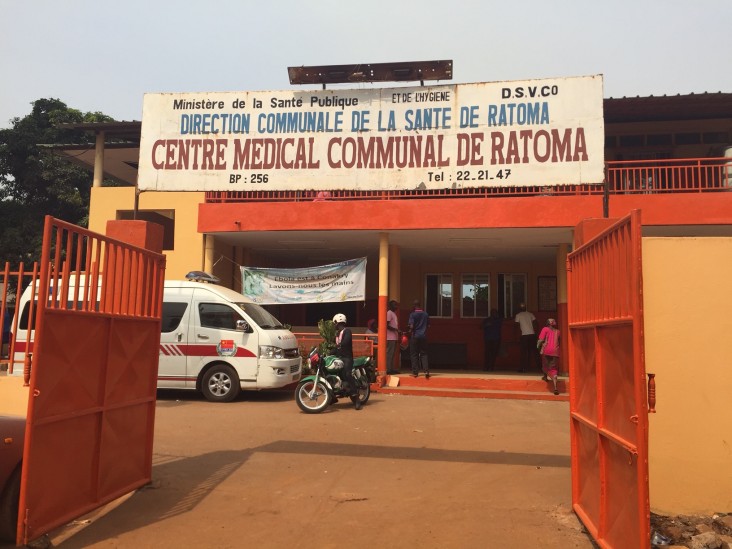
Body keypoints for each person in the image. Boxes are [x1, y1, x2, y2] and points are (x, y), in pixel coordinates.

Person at [333, 313, 363, 410]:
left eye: (335, 323)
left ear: (338, 322)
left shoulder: (347, 331)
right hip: (339, 358)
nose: (334, 325)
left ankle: (356, 399)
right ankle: (332, 397)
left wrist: (339, 346)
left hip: (347, 358)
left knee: (348, 374)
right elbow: (335, 346)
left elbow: (345, 342)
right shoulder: (337, 334)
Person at [537, 318, 561, 395]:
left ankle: (545, 377)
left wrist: (538, 346)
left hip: (546, 350)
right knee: (553, 369)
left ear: (547, 323)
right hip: (555, 351)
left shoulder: (545, 329)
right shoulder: (558, 331)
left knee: (545, 364)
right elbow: (559, 341)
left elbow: (540, 339)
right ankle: (555, 387)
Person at [514, 303, 540, 373]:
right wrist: (536, 333)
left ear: (519, 309)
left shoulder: (518, 315)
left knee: (523, 352)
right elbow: (536, 323)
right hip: (532, 335)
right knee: (535, 352)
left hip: (524, 335)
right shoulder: (530, 314)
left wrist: (517, 337)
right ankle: (540, 368)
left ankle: (522, 368)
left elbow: (516, 326)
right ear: (526, 308)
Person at [408, 300, 430, 378]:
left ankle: (415, 373)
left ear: (414, 305)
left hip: (415, 336)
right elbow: (428, 325)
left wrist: (409, 330)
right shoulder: (425, 314)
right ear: (420, 305)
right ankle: (426, 371)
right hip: (423, 337)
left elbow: (411, 326)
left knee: (414, 354)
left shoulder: (412, 315)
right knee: (424, 354)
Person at [385, 300, 400, 375]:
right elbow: (386, 325)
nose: (396, 307)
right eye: (394, 305)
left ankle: (391, 368)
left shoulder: (393, 313)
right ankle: (388, 369)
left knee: (392, 354)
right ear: (390, 306)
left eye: (396, 305)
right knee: (389, 354)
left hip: (394, 337)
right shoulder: (389, 313)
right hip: (390, 337)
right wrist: (396, 330)